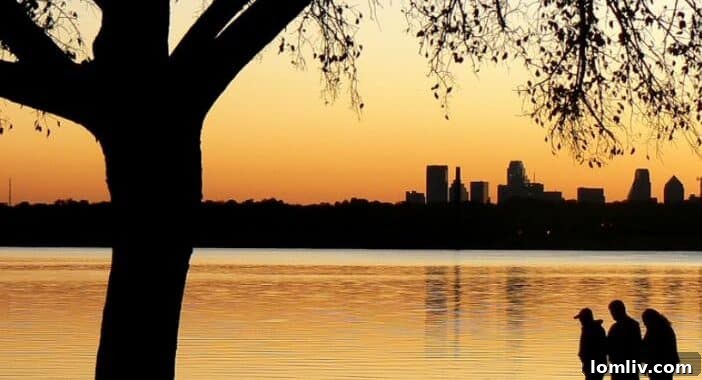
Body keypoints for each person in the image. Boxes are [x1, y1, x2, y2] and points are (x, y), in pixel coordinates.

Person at [608, 300, 642, 380]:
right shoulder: (634, 324)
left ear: (618, 311)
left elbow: (608, 344)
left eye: (612, 312)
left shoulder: (616, 328)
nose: (612, 315)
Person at [641, 308, 680, 380]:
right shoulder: (663, 327)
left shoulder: (656, 330)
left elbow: (650, 347)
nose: (644, 324)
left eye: (645, 321)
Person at [575, 307, 608, 380]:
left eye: (581, 318)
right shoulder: (596, 329)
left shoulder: (589, 330)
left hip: (593, 366)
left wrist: (583, 357)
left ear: (586, 319)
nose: (580, 321)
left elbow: (589, 350)